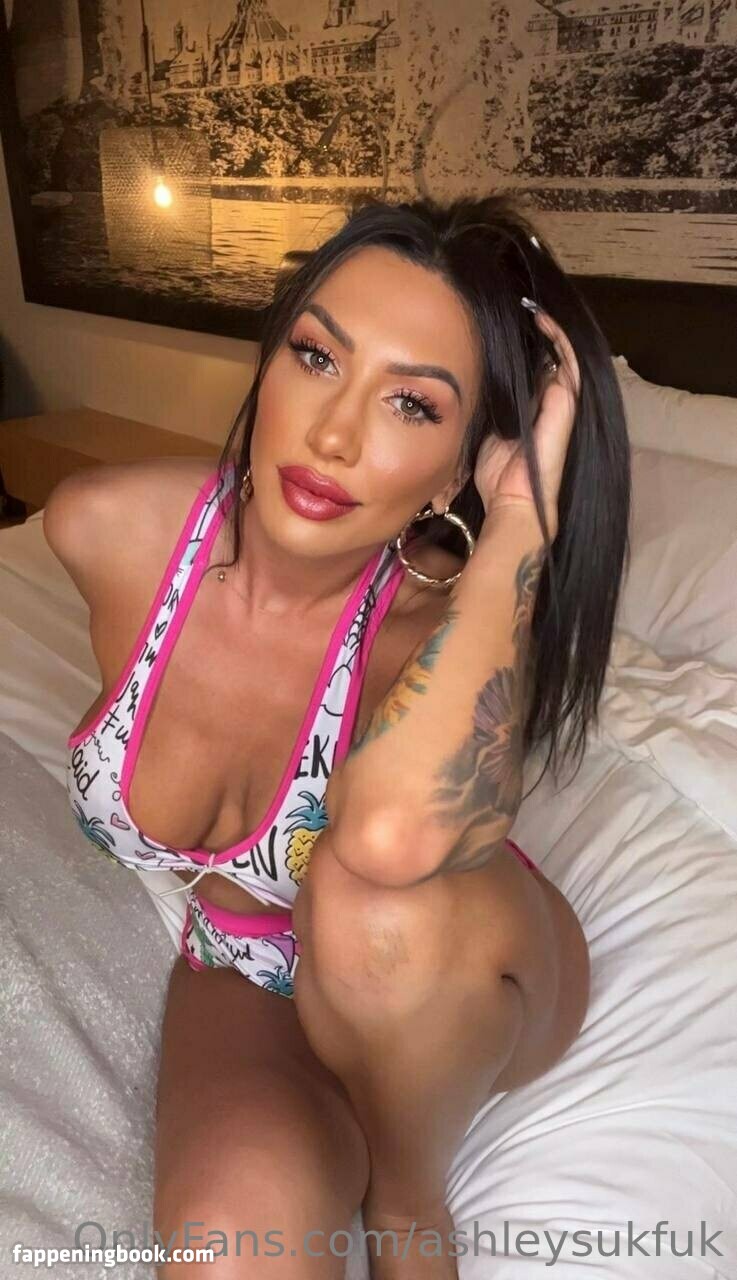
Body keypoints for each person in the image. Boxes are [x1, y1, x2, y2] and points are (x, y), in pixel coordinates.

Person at [47, 193, 630, 1278]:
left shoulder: (443, 627)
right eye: (317, 357)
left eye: (411, 404)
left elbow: (402, 837)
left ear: (458, 468)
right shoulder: (107, 529)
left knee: (372, 900)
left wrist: (519, 526)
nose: (332, 434)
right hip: (252, 965)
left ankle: (408, 1197)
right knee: (226, 1251)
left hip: (452, 960)